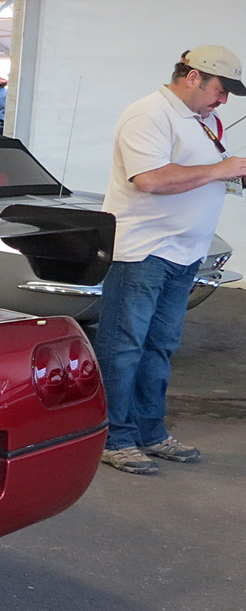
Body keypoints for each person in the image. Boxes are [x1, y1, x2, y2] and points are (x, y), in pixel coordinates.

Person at [94, 46, 246, 475]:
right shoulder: (148, 115)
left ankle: (150, 432)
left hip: (183, 253)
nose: (224, 101)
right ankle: (114, 437)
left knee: (159, 347)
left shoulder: (205, 121)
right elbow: (151, 179)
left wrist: (231, 174)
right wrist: (223, 170)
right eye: (220, 89)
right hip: (144, 251)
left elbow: (202, 173)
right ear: (193, 77)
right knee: (124, 347)